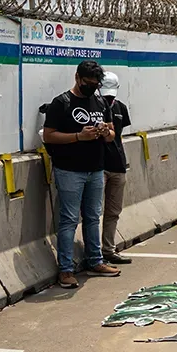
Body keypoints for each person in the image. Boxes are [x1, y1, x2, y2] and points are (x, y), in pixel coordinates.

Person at [41, 60, 122, 288]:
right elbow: (49, 135)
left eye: (95, 84)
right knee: (68, 220)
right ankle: (65, 269)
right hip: (69, 170)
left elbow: (112, 133)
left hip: (96, 169)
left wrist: (106, 132)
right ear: (77, 78)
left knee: (93, 217)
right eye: (88, 83)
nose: (91, 87)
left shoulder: (98, 100)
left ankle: (95, 260)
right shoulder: (62, 103)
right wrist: (78, 136)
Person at [99, 70, 133, 266]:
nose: (109, 97)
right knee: (94, 212)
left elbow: (119, 136)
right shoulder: (95, 106)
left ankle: (108, 249)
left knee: (113, 210)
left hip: (117, 165)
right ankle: (94, 253)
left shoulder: (120, 108)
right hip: (99, 165)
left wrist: (123, 159)